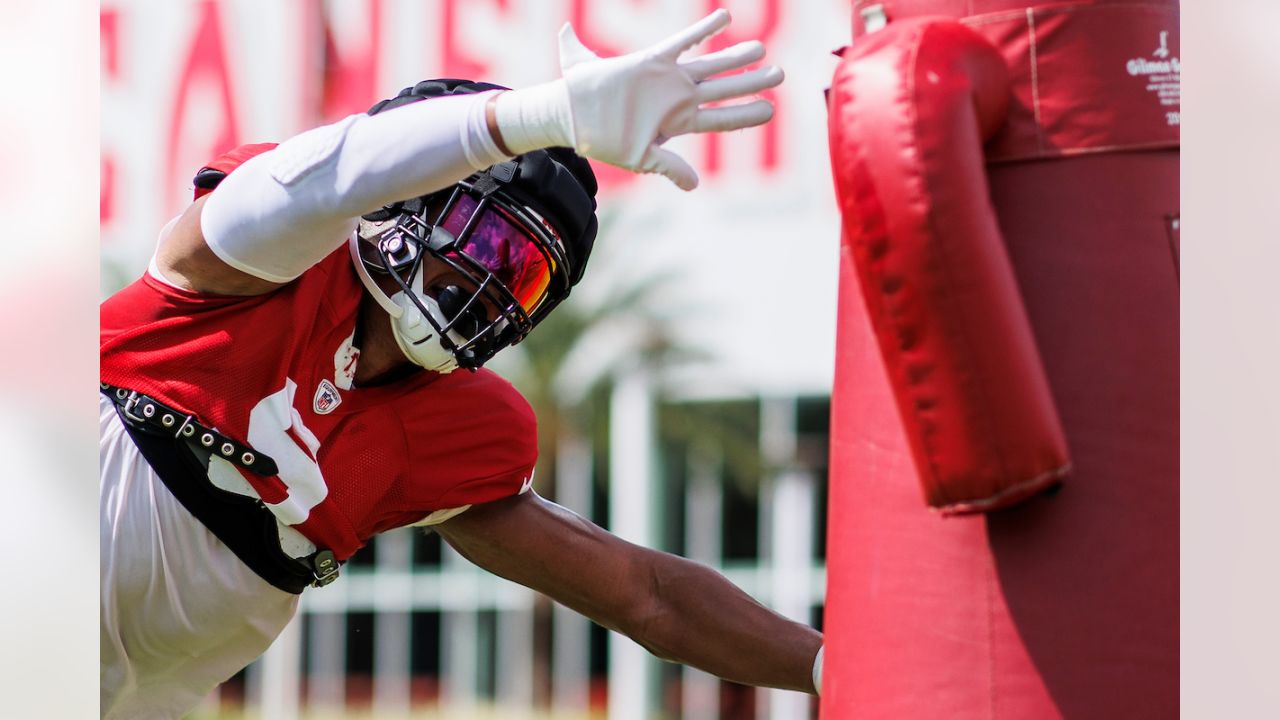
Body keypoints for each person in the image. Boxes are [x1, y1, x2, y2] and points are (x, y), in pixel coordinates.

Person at [100, 10, 820, 719]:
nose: (499, 288)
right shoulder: (266, 263)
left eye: (530, 276)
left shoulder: (455, 429)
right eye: (494, 246)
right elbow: (335, 174)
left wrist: (830, 662)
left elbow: (646, 596)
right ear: (404, 201)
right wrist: (548, 114)